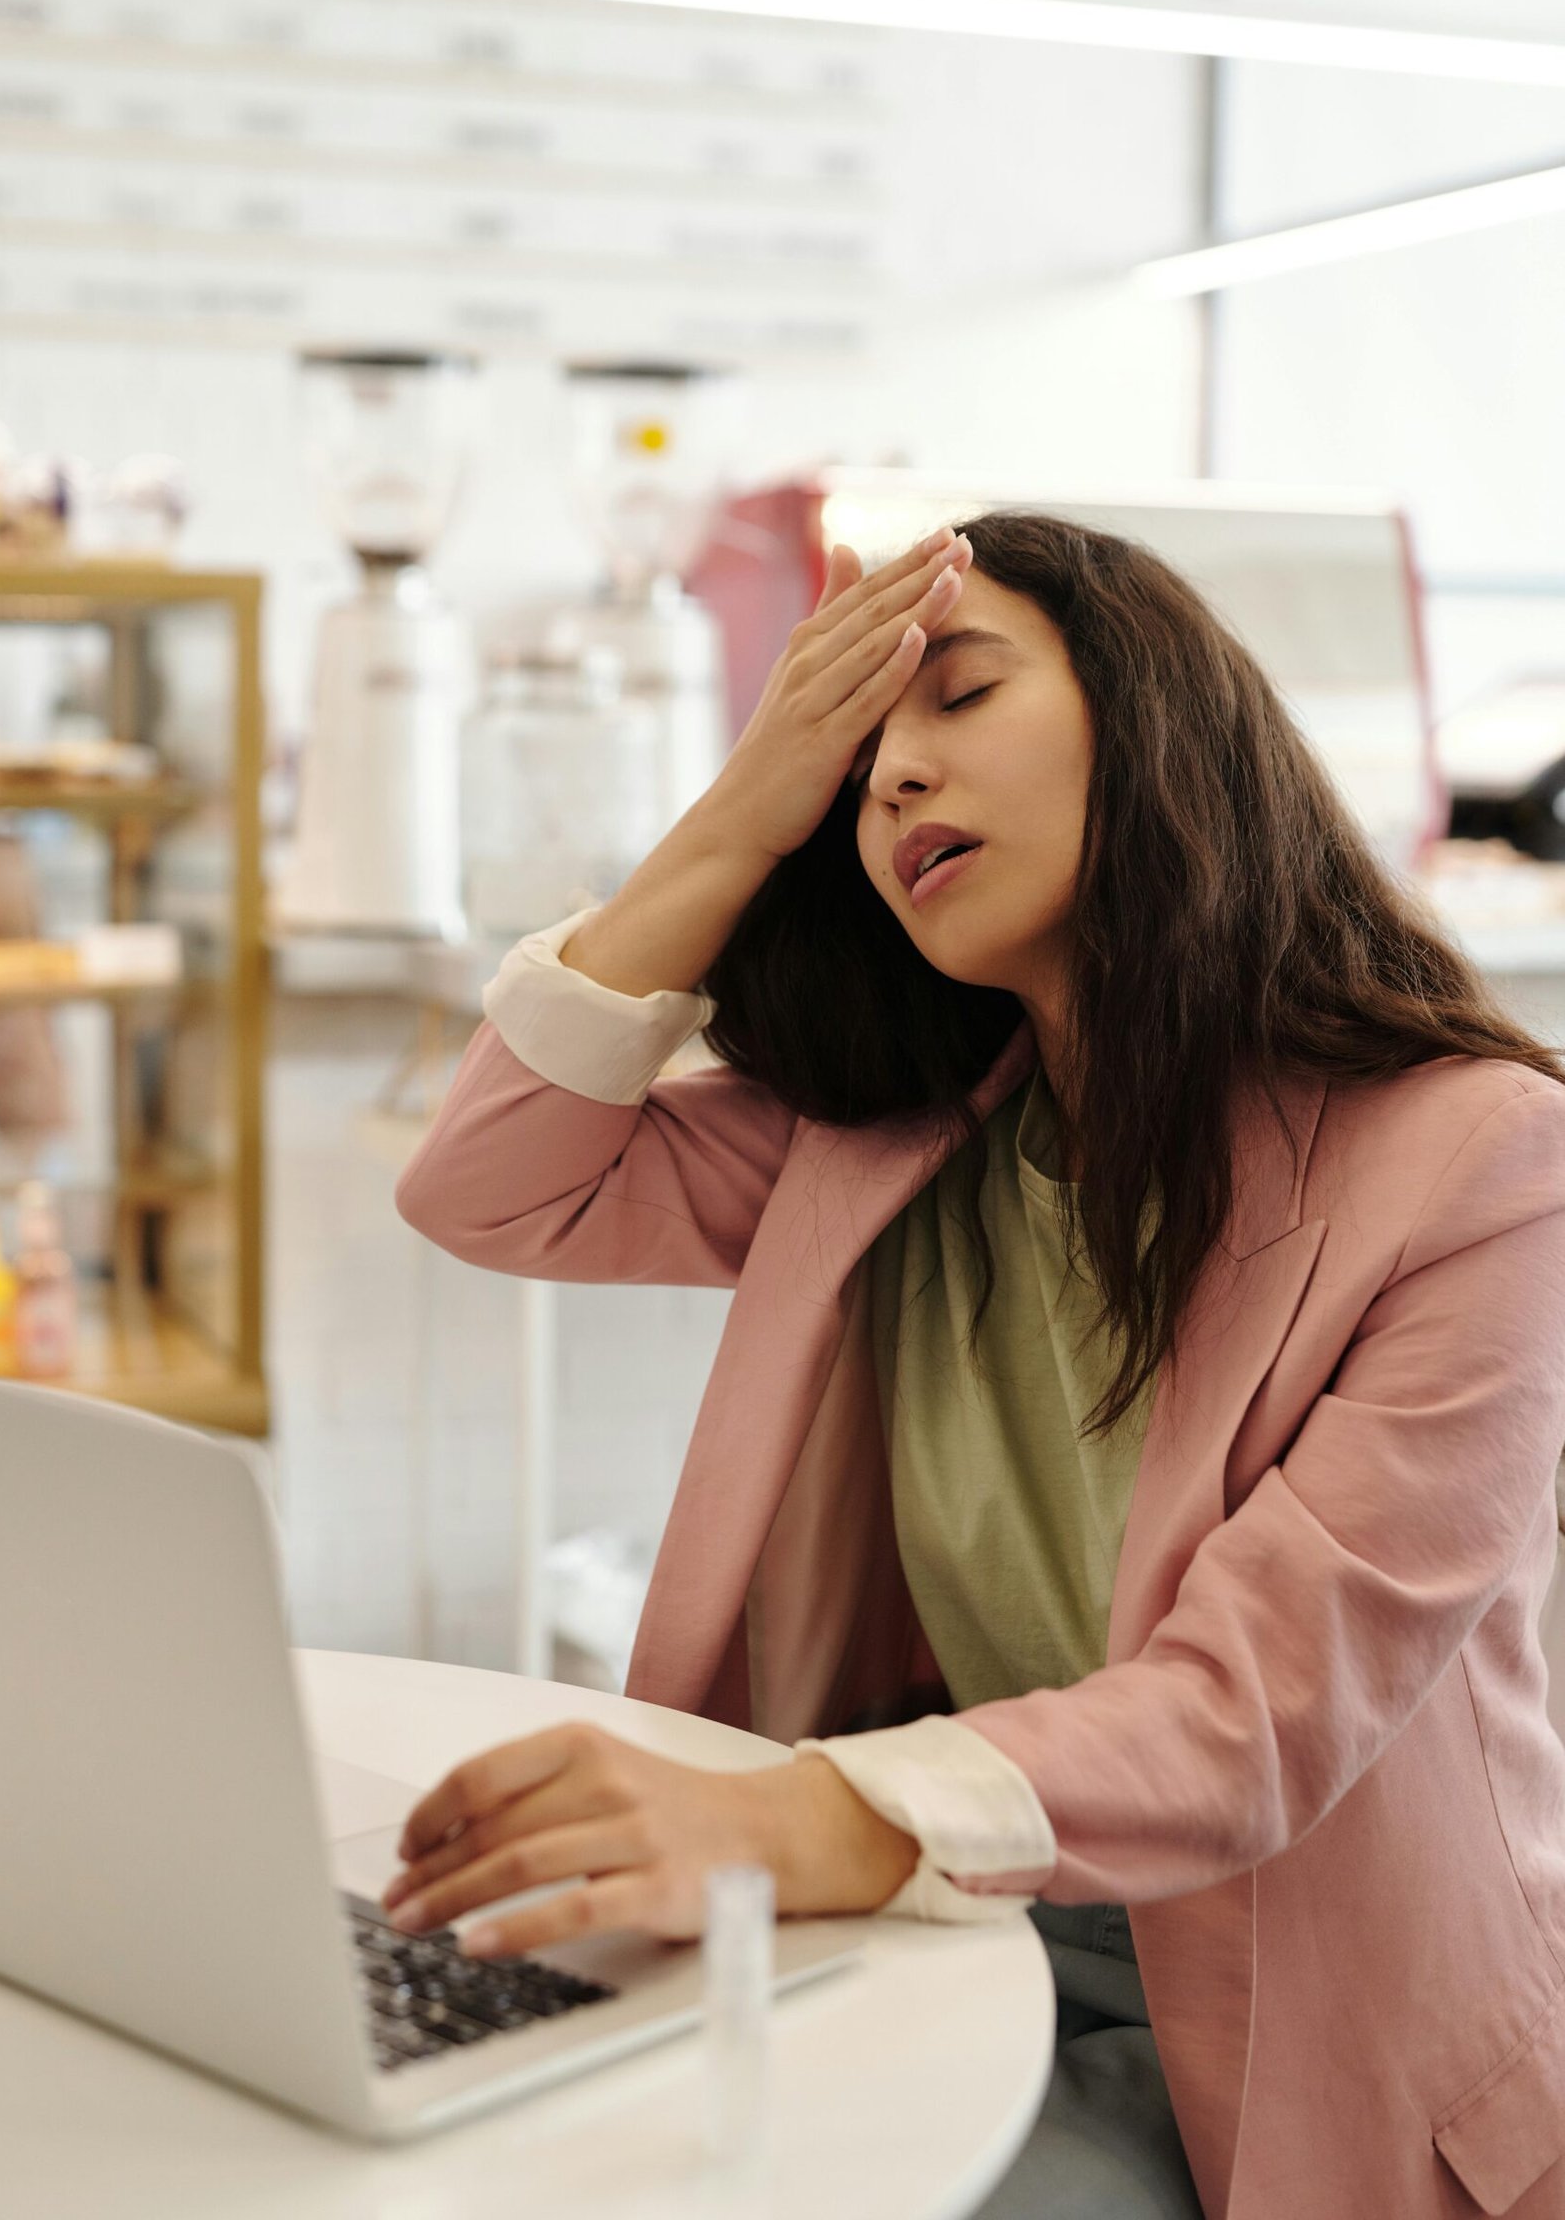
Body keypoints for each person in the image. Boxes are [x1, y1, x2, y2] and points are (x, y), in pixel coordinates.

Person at [392, 513, 1565, 2219]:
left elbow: (1258, 1709)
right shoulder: (888, 1146)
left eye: (955, 694)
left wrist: (801, 1818)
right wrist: (745, 801)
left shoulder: (1483, 1164)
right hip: (966, 1916)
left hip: (1299, 2016)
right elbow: (488, 1184)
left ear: (1153, 717)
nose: (892, 782)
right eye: (854, 759)